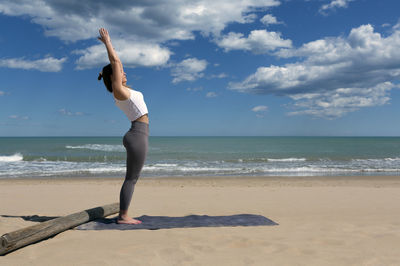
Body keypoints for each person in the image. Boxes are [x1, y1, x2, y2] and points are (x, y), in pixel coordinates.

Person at [97, 28, 149, 225]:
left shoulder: (125, 91)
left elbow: (117, 65)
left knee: (132, 178)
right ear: (114, 77)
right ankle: (123, 216)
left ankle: (123, 213)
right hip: (137, 134)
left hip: (137, 134)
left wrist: (109, 68)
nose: (124, 72)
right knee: (131, 179)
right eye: (121, 72)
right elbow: (116, 62)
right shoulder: (118, 91)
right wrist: (108, 43)